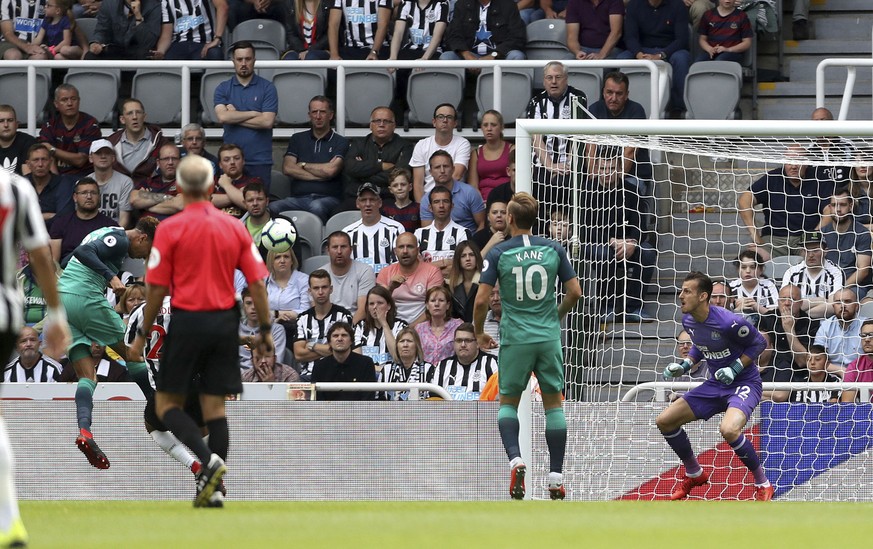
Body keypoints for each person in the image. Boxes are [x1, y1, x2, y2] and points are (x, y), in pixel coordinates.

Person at [129, 154, 273, 508]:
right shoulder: (234, 227)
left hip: (188, 320)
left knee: (165, 405)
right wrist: (265, 328)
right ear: (212, 187)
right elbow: (256, 283)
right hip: (224, 321)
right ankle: (212, 491)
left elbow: (157, 288)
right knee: (215, 411)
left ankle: (207, 466)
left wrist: (140, 334)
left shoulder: (170, 229)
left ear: (178, 188)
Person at [473, 192, 580, 500]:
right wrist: (553, 317)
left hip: (515, 338)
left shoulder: (499, 253)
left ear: (509, 218)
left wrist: (480, 331)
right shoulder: (555, 248)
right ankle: (556, 477)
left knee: (507, 403)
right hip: (547, 338)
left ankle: (516, 460)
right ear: (536, 219)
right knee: (553, 405)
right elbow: (575, 292)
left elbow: (481, 299)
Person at [0, 168, 72, 547]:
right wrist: (57, 315)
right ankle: (9, 521)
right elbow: (42, 255)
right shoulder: (15, 186)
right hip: (6, 311)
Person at [658, 271, 773, 501]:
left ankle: (763, 483)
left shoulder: (729, 321)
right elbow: (701, 344)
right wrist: (686, 363)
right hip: (715, 384)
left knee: (728, 430)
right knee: (665, 421)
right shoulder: (688, 319)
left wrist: (735, 368)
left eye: (686, 291)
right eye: (681, 290)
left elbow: (760, 342)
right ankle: (694, 473)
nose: (681, 295)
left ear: (703, 296)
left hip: (745, 383)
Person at [58, 216, 159, 469]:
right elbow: (81, 251)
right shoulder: (121, 239)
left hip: (62, 302)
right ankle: (156, 406)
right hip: (85, 298)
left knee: (87, 376)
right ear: (142, 238)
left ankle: (85, 431)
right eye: (147, 251)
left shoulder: (106, 231)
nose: (140, 257)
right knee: (133, 354)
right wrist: (111, 277)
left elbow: (68, 260)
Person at [124, 296, 214, 505]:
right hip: (193, 381)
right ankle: (211, 469)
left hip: (163, 387)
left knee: (152, 425)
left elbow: (131, 352)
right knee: (202, 429)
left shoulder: (140, 311)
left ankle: (197, 467)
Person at [579, 150, 657, 322]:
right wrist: (611, 241)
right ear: (596, 169)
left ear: (620, 168)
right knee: (604, 254)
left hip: (627, 244)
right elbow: (584, 229)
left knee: (648, 252)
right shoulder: (586, 191)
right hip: (597, 243)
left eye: (612, 168)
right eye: (603, 168)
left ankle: (634, 307)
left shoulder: (631, 190)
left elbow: (641, 225)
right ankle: (606, 307)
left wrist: (633, 242)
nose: (607, 173)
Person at [738, 147, 834, 259]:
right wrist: (755, 236)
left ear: (807, 163)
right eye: (789, 162)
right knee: (753, 259)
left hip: (806, 240)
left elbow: (830, 209)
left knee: (816, 258)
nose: (793, 166)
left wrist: (814, 234)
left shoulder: (820, 179)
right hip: (774, 241)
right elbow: (744, 200)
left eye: (798, 162)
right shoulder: (772, 178)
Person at [525, 62, 588, 228]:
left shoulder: (578, 98)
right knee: (536, 187)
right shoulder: (536, 102)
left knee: (571, 187)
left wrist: (567, 164)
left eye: (558, 77)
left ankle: (573, 237)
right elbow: (536, 137)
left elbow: (579, 136)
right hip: (543, 163)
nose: (554, 82)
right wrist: (551, 165)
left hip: (570, 163)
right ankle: (541, 233)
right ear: (544, 81)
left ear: (566, 79)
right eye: (549, 78)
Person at [268, 96, 349, 223]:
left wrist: (303, 165)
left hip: (328, 198)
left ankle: (320, 241)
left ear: (331, 115)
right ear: (309, 115)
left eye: (322, 112)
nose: (318, 116)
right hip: (298, 198)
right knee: (273, 207)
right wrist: (322, 175)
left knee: (316, 206)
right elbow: (288, 168)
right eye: (314, 112)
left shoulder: (341, 141)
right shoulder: (297, 139)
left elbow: (331, 171)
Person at [214, 41, 278, 185]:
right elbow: (223, 116)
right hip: (231, 161)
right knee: (230, 205)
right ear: (233, 61)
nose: (243, 63)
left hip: (259, 160)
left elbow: (267, 122)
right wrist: (255, 113)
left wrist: (235, 115)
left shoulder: (268, 88)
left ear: (254, 60)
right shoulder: (222, 88)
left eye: (248, 59)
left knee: (258, 206)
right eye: (239, 59)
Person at [38, 84, 102, 213]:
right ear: (56, 104)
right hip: (57, 177)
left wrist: (52, 150)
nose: (69, 103)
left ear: (79, 101)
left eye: (73, 99)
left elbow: (80, 160)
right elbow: (46, 156)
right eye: (64, 100)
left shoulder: (90, 124)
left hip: (85, 176)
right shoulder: (50, 125)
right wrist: (55, 180)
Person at [620, 0, 691, 115]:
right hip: (642, 49)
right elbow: (630, 37)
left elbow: (681, 39)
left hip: (669, 50)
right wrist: (639, 54)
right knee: (622, 58)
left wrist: (660, 55)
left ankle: (678, 109)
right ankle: (622, 105)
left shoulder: (677, 5)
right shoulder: (634, 4)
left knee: (682, 58)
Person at [586, 72, 651, 186]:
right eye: (609, 92)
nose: (613, 98)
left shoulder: (636, 111)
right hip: (602, 176)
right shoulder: (594, 109)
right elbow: (590, 151)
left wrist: (616, 184)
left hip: (631, 177)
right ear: (603, 92)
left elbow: (630, 152)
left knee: (621, 195)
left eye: (619, 94)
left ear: (626, 95)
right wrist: (594, 180)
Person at [342, 106, 414, 206]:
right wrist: (380, 166)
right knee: (339, 213)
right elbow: (350, 168)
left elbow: (399, 176)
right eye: (377, 121)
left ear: (394, 126)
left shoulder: (405, 147)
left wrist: (362, 174)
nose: (381, 125)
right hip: (358, 196)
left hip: (389, 197)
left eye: (386, 121)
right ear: (371, 125)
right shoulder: (358, 144)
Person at [762, 284, 820, 402]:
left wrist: (789, 329)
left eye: (792, 299)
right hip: (769, 372)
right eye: (783, 299)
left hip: (798, 376)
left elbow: (803, 361)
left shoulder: (811, 324)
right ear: (778, 302)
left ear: (801, 303)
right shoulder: (767, 319)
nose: (787, 303)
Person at [293, 269, 353, 381]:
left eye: (324, 287)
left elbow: (345, 350)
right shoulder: (302, 319)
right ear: (309, 291)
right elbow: (299, 355)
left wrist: (312, 345)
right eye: (316, 288)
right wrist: (331, 350)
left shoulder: (343, 315)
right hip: (308, 376)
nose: (320, 292)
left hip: (337, 374)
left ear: (331, 289)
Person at [376, 232, 444, 325]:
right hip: (391, 326)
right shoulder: (385, 272)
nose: (405, 251)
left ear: (417, 250)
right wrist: (390, 288)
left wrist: (408, 329)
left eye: (410, 246)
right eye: (401, 247)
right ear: (395, 251)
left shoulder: (432, 272)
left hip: (424, 326)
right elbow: (378, 306)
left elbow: (435, 307)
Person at [410, 104, 471, 202]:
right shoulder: (421, 145)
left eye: (449, 117)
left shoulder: (462, 143)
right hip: (428, 200)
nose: (445, 120)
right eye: (440, 117)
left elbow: (456, 175)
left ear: (455, 123)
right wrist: (422, 208)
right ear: (434, 122)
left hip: (455, 199)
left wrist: (442, 200)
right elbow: (418, 184)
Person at [48, 177, 116, 263]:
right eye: (84, 193)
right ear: (75, 197)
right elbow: (54, 261)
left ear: (99, 197)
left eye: (93, 193)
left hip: (98, 272)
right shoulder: (60, 223)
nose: (89, 197)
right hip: (67, 271)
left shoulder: (110, 226)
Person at [342, 182, 405, 274]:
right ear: (357, 203)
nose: (368, 204)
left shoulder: (396, 229)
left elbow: (401, 263)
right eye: (363, 200)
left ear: (379, 203)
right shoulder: (348, 233)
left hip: (388, 284)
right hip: (358, 285)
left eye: (372, 200)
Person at [820, 188, 872, 299]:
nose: (838, 209)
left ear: (851, 206)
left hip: (852, 286)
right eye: (834, 205)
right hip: (825, 285)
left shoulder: (862, 233)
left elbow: (863, 270)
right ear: (829, 208)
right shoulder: (821, 234)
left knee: (840, 300)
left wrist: (838, 290)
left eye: (843, 205)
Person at [780, 231, 843, 319]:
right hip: (796, 324)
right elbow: (785, 305)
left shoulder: (835, 272)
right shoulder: (791, 272)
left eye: (815, 250)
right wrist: (822, 300)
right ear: (801, 252)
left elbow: (833, 306)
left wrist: (802, 315)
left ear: (825, 251)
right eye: (806, 250)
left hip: (824, 323)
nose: (810, 255)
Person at [419, 151, 485, 233]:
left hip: (469, 242)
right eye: (437, 167)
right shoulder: (426, 200)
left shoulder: (469, 192)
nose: (442, 171)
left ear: (453, 169)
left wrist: (472, 244)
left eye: (446, 166)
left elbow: (482, 224)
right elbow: (427, 232)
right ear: (431, 172)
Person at [429, 322, 499, 399]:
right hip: (449, 411)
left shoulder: (492, 363)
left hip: (483, 410)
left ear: (477, 344)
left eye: (468, 340)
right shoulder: (442, 366)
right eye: (459, 340)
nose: (463, 345)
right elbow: (435, 400)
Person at [440, 0, 526, 61]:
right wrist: (467, 55)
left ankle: (508, 87)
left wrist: (493, 55)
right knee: (446, 57)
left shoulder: (508, 5)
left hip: (499, 56)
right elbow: (453, 35)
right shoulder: (461, 4)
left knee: (517, 56)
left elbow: (517, 37)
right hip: (470, 55)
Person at [106, 98, 168, 182]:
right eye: (129, 113)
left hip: (150, 191)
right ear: (122, 119)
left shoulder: (160, 143)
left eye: (138, 112)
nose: (134, 117)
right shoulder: (111, 143)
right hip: (120, 192)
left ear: (144, 117)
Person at [416, 185, 473, 276]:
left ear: (452, 206)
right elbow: (415, 267)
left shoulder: (463, 232)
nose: (441, 206)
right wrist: (446, 263)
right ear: (430, 207)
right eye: (436, 202)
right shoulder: (419, 234)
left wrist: (427, 267)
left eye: (445, 201)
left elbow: (463, 264)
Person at [312, 321, 377, 400]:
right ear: (329, 342)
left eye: (344, 335)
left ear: (351, 341)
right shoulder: (320, 366)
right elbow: (317, 399)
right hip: (328, 411)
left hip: (359, 411)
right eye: (335, 336)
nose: (340, 339)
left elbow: (368, 397)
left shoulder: (366, 363)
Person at [322, 230, 376, 324]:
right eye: (335, 247)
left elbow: (363, 310)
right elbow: (317, 309)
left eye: (343, 247)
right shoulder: (321, 274)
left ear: (351, 249)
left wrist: (346, 331)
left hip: (355, 325)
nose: (339, 251)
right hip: (327, 326)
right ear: (328, 250)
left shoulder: (365, 271)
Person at [354, 285, 408, 378]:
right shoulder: (360, 327)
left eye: (380, 303)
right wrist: (376, 369)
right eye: (371, 304)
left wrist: (384, 324)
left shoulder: (400, 326)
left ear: (389, 306)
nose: (375, 307)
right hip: (366, 377)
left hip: (393, 377)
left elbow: (397, 356)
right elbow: (357, 361)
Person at [85, 0, 161, 60]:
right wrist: (96, 42)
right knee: (91, 56)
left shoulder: (154, 6)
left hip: (138, 52)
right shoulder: (109, 3)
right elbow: (102, 29)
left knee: (146, 56)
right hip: (115, 50)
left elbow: (148, 42)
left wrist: (138, 17)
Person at [150, 0, 226, 60]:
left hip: (205, 43)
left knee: (215, 54)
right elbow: (166, 33)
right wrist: (160, 51)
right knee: (168, 60)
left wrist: (217, 38)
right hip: (179, 44)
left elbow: (223, 7)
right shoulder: (166, 1)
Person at [813, 287, 863, 375]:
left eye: (847, 301)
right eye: (838, 302)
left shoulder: (867, 326)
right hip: (832, 378)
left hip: (861, 376)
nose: (843, 306)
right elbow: (817, 360)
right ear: (833, 306)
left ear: (857, 306)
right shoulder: (825, 326)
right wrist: (841, 371)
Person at [87, 139, 134, 228]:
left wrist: (112, 236)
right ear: (90, 158)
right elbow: (81, 216)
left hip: (115, 234)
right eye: (98, 153)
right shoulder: (83, 183)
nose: (103, 156)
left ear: (113, 158)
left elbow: (124, 220)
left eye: (107, 153)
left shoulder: (125, 182)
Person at [467, 110, 514, 202]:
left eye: (493, 125)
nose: (489, 128)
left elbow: (516, 180)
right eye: (485, 125)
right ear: (481, 128)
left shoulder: (512, 149)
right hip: (483, 202)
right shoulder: (476, 154)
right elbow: (473, 186)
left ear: (501, 127)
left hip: (508, 199)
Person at [239, 285, 287, 371]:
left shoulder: (277, 330)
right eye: (249, 303)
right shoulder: (235, 330)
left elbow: (277, 362)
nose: (253, 307)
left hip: (267, 377)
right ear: (243, 306)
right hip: (239, 379)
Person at [728, 249, 778, 331]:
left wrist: (755, 306)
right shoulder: (731, 287)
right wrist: (737, 310)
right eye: (743, 267)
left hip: (764, 331)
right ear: (738, 269)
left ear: (761, 270)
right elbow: (724, 316)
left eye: (752, 267)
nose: (748, 271)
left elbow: (775, 316)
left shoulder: (769, 286)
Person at [131, 142, 184, 220]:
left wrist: (146, 205)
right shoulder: (149, 182)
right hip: (143, 230)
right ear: (158, 162)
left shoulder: (186, 182)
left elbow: (180, 205)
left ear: (180, 161)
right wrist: (167, 197)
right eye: (166, 159)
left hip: (173, 229)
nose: (170, 162)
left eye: (174, 158)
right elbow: (134, 199)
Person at [265, 248, 311, 338]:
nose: (282, 261)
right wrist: (278, 315)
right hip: (268, 328)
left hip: (296, 330)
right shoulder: (263, 281)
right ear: (271, 262)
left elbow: (306, 311)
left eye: (286, 257)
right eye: (277, 257)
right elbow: (258, 310)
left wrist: (275, 314)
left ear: (292, 261)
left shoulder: (304, 280)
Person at [327, 0, 392, 60]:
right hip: (351, 48)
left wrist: (374, 52)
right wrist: (334, 54)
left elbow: (383, 25)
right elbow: (333, 25)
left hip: (380, 48)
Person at [415, 285, 463, 366]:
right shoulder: (419, 329)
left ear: (448, 305)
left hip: (449, 373)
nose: (437, 304)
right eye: (433, 301)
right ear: (427, 305)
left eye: (441, 300)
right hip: (425, 374)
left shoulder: (458, 325)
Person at [212, 143, 261, 218]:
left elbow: (250, 204)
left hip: (243, 225)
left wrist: (226, 185)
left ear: (243, 161)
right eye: (226, 160)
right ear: (220, 165)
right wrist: (238, 196)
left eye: (237, 158)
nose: (232, 162)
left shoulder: (254, 181)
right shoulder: (213, 180)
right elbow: (202, 202)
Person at [383, 327, 432, 400]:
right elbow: (379, 398)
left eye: (409, 341)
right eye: (402, 341)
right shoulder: (387, 369)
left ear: (416, 346)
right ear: (397, 346)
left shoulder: (428, 369)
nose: (405, 345)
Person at [24, 143, 62, 224]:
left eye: (44, 159)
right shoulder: (21, 185)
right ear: (28, 164)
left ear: (51, 162)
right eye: (35, 160)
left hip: (56, 234)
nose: (40, 164)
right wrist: (48, 216)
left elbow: (64, 217)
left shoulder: (62, 184)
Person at [59, 342, 131, 382]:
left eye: (100, 340)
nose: (97, 345)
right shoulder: (73, 366)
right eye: (92, 341)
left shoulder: (117, 370)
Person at [448, 241, 482, 322]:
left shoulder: (486, 282)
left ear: (477, 257)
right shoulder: (450, 285)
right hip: (459, 330)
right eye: (463, 256)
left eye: (471, 255)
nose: (468, 259)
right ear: (458, 260)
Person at [840, 321, 873, 403]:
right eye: (863, 335)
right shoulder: (855, 367)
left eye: (871, 335)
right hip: (866, 414)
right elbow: (847, 404)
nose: (867, 339)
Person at [381, 167, 420, 232]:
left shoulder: (419, 209)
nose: (399, 188)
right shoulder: (386, 211)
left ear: (410, 187)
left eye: (403, 184)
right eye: (395, 185)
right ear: (390, 190)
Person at [0, 105, 36, 175]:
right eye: (1, 121)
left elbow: (28, 178)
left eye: (10, 120)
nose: (6, 125)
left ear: (16, 124)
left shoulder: (28, 142)